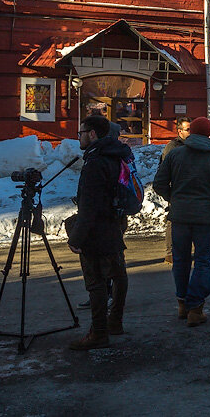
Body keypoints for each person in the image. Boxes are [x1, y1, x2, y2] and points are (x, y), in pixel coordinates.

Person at [152, 116, 210, 327]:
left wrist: (174, 198)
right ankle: (195, 308)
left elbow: (159, 184)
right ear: (209, 133)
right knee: (202, 262)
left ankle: (182, 304)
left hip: (179, 217)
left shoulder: (175, 154)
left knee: (180, 261)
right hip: (205, 218)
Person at [67, 114, 130, 350]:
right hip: (114, 227)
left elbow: (89, 206)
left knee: (96, 283)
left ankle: (99, 333)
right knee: (118, 275)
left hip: (97, 234)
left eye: (81, 133)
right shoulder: (115, 155)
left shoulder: (95, 162)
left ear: (92, 134)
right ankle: (115, 322)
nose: (80, 137)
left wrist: (76, 238)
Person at [159, 117, 191, 264]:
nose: (191, 133)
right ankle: (170, 252)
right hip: (177, 191)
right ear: (180, 131)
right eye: (188, 130)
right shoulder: (172, 147)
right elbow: (163, 174)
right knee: (174, 221)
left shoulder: (193, 146)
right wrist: (170, 195)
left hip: (190, 191)